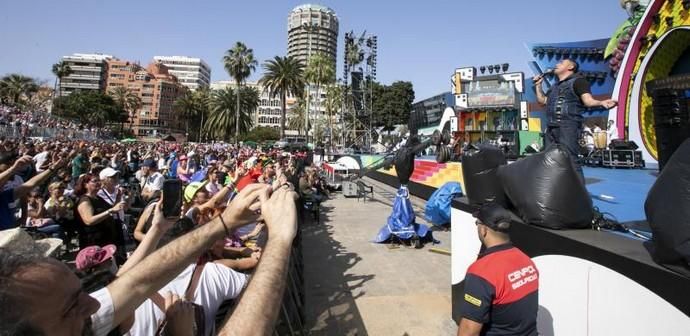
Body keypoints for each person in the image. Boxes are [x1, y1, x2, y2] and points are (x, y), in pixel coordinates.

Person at [0, 183, 298, 336]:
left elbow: (137, 281)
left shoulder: (82, 323)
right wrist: (280, 240)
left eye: (82, 292)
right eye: (71, 307)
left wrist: (225, 223)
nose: (93, 303)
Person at [457, 204, 539, 336]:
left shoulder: (481, 272)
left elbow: (468, 330)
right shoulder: (526, 261)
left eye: (477, 223)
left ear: (483, 230)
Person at [533, 59, 618, 181]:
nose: (557, 64)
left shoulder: (579, 81)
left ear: (571, 67)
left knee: (570, 159)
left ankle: (580, 193)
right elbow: (543, 101)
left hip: (568, 125)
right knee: (549, 159)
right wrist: (538, 85)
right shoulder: (554, 87)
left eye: (561, 63)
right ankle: (554, 191)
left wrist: (601, 102)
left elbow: (588, 101)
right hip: (552, 126)